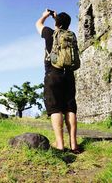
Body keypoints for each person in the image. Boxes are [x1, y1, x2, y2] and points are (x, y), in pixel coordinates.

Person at [35, 9, 80, 153]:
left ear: (56, 23)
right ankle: (74, 145)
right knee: (70, 108)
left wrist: (45, 15)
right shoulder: (70, 36)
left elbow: (38, 24)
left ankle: (60, 145)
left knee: (55, 109)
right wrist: (58, 18)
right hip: (69, 75)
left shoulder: (49, 33)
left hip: (53, 74)